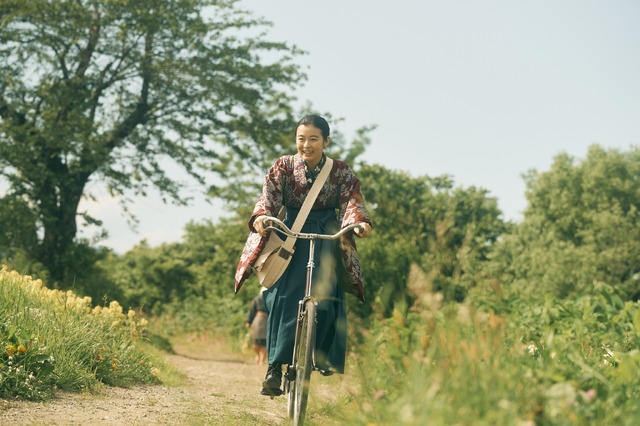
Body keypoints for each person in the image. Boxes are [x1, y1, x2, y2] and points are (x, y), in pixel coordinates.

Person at [234, 114, 372, 396]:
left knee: (327, 296)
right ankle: (274, 367)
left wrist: (359, 222)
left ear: (326, 141)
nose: (306, 144)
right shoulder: (283, 166)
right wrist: (262, 216)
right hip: (289, 233)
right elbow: (268, 197)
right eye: (301, 138)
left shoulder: (340, 172)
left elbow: (351, 201)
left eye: (313, 139)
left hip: (327, 233)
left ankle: (320, 357)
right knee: (283, 298)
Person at [246, 290, 268, 365]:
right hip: (257, 322)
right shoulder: (257, 300)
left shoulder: (270, 299)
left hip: (266, 321)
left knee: (264, 342)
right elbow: (252, 311)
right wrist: (248, 321)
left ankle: (262, 360)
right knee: (256, 342)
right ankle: (258, 356)